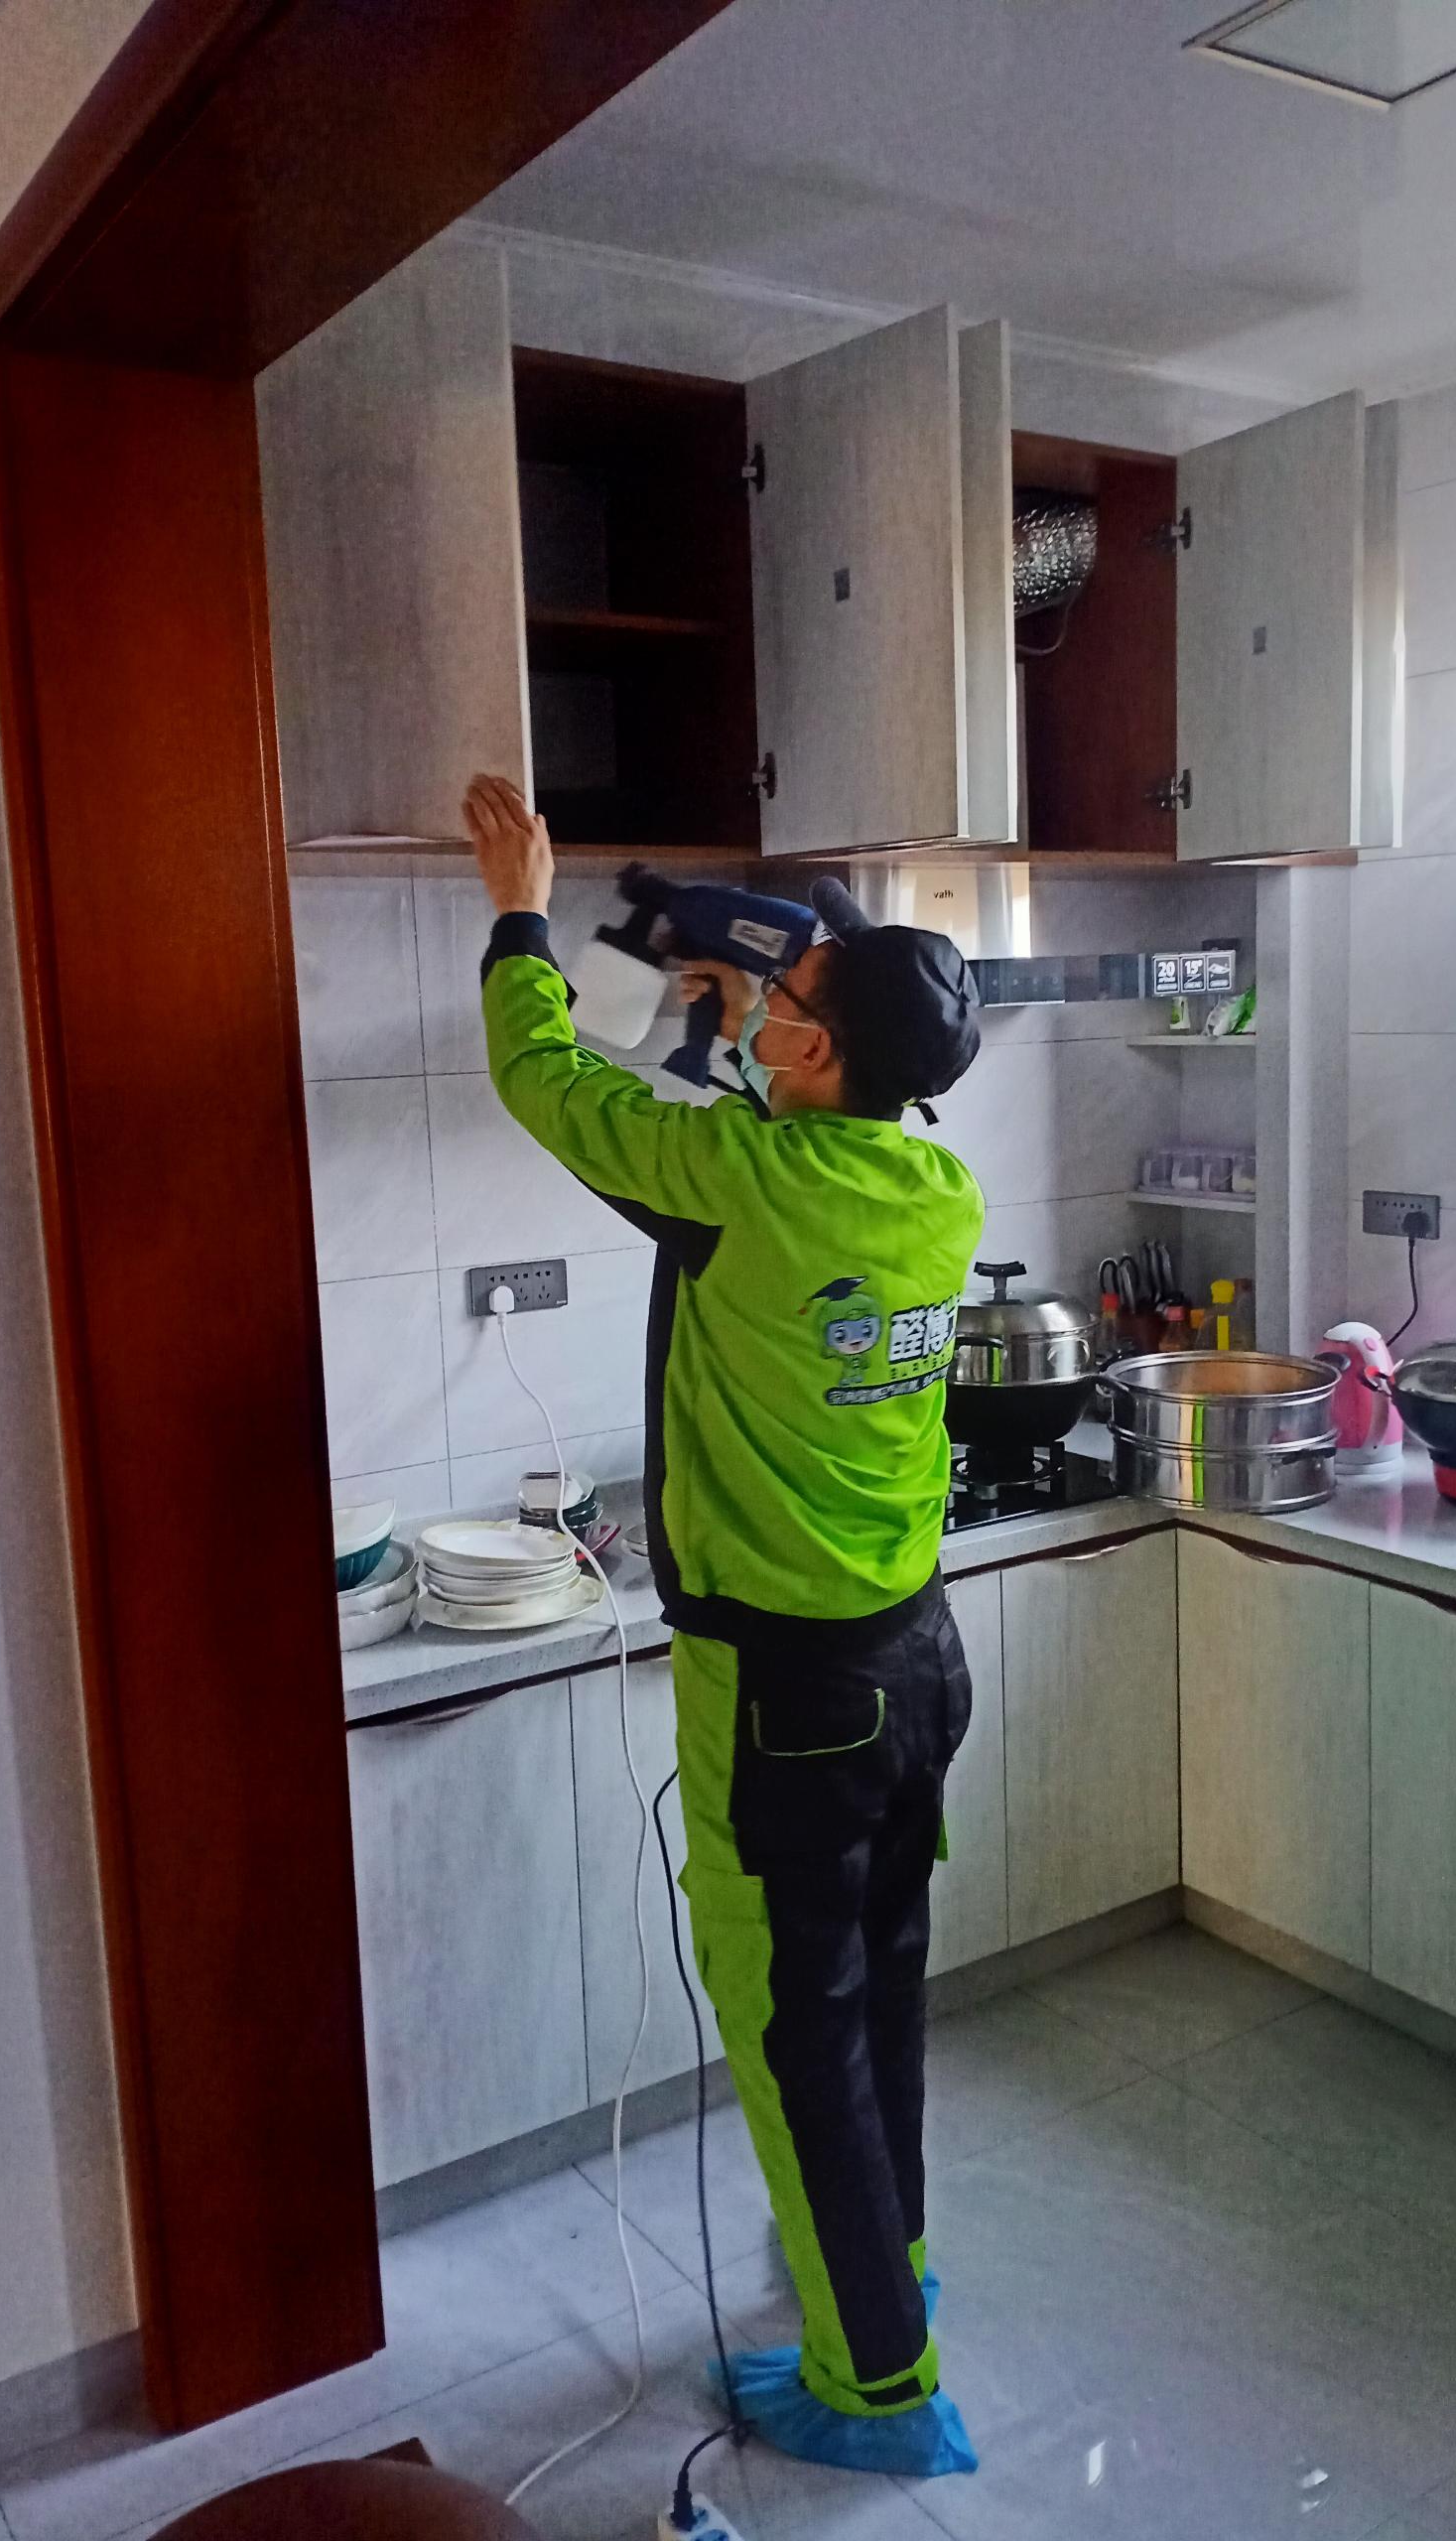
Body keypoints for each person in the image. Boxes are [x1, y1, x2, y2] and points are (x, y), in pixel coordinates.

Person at [462, 774, 985, 2479]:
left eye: (789, 997)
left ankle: (878, 2390)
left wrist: (523, 912)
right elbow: (750, 1167)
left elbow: (546, 1084)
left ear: (817, 1050)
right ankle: (891, 2278)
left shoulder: (739, 1183)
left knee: (791, 2028)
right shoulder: (934, 1186)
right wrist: (731, 1026)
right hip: (915, 1660)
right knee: (879, 1992)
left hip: (785, 1693)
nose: (765, 1002)